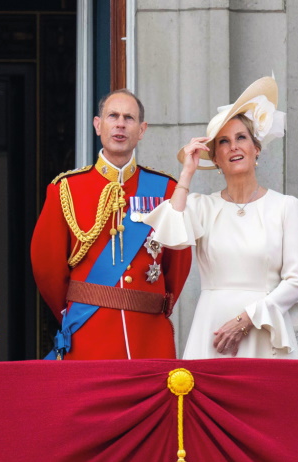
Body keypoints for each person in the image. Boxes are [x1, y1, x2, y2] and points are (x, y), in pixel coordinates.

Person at [143, 76, 298, 358]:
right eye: (223, 142)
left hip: (263, 330)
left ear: (256, 149)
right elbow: (168, 236)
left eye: (241, 138)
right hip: (213, 331)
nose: (233, 146)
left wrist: (246, 320)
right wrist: (187, 172)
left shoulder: (285, 207)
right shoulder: (202, 206)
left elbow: (297, 282)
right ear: (215, 159)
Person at [31, 89, 192, 360]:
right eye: (113, 116)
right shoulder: (67, 188)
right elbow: (46, 265)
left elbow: (178, 262)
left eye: (129, 118)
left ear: (141, 130)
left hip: (148, 335)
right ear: (98, 125)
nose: (120, 123)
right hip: (89, 332)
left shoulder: (166, 189)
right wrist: (78, 308)